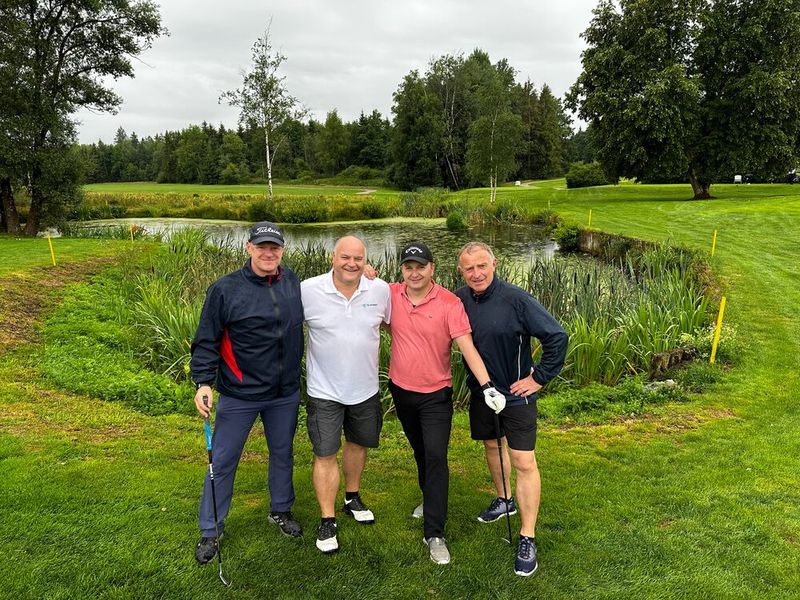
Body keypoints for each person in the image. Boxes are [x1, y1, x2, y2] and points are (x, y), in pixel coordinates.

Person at [190, 221, 304, 565]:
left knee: (282, 453)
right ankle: (211, 529)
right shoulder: (225, 289)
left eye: (275, 247)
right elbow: (206, 340)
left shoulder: (292, 282)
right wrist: (203, 382)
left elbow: (336, 285)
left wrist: (367, 275)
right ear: (248, 248)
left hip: (284, 393)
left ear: (282, 250)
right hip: (240, 393)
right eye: (262, 246)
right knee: (223, 460)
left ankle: (280, 510)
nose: (269, 253)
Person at [386, 241, 504, 565]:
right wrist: (366, 273)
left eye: (420, 267)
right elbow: (362, 296)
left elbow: (467, 346)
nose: (414, 273)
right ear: (402, 270)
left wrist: (488, 386)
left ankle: (434, 533)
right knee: (421, 452)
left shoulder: (450, 303)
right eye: (408, 267)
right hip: (401, 390)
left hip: (436, 395)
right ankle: (430, 498)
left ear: (432, 269)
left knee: (436, 456)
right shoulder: (390, 295)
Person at [455, 241, 568, 577]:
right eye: (469, 268)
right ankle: (505, 500)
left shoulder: (516, 300)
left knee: (523, 461)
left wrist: (539, 378)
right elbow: (418, 294)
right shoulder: (458, 300)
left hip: (517, 395)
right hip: (482, 394)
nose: (476, 273)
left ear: (494, 263)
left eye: (482, 266)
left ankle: (527, 536)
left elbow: (557, 336)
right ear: (460, 271)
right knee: (492, 445)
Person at [301, 236, 391, 554]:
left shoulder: (380, 290)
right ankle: (328, 519)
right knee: (325, 453)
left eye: (358, 258)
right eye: (345, 257)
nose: (351, 264)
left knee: (357, 444)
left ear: (366, 261)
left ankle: (352, 497)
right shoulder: (308, 290)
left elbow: (396, 325)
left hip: (365, 389)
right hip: (324, 390)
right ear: (332, 257)